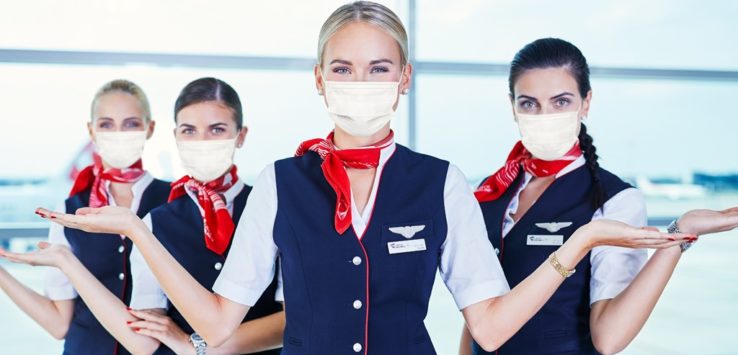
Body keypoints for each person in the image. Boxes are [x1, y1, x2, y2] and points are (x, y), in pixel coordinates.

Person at [30, 3, 693, 354]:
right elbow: (221, 323)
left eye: (379, 68)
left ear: (403, 81)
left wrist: (574, 247)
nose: (361, 83)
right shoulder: (282, 182)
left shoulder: (443, 184)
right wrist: (134, 231)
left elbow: (489, 329)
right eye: (343, 68)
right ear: (320, 81)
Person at [460, 37, 738, 355]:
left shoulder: (614, 200)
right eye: (529, 103)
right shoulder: (493, 190)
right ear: (513, 107)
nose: (543, 114)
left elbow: (609, 339)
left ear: (586, 103)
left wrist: (679, 235)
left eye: (560, 101)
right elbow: (476, 318)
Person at [3, 77, 285, 354]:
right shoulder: (156, 220)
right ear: (175, 136)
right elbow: (139, 339)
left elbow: (294, 315)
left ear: (241, 135)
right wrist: (65, 262)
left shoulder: (270, 206)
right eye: (189, 130)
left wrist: (196, 348)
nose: (202, 141)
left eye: (217, 129)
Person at [0, 79, 169, 354]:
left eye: (130, 124)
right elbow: (58, 325)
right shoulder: (69, 210)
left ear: (149, 129)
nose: (118, 133)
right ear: (91, 131)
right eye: (106, 124)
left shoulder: (175, 202)